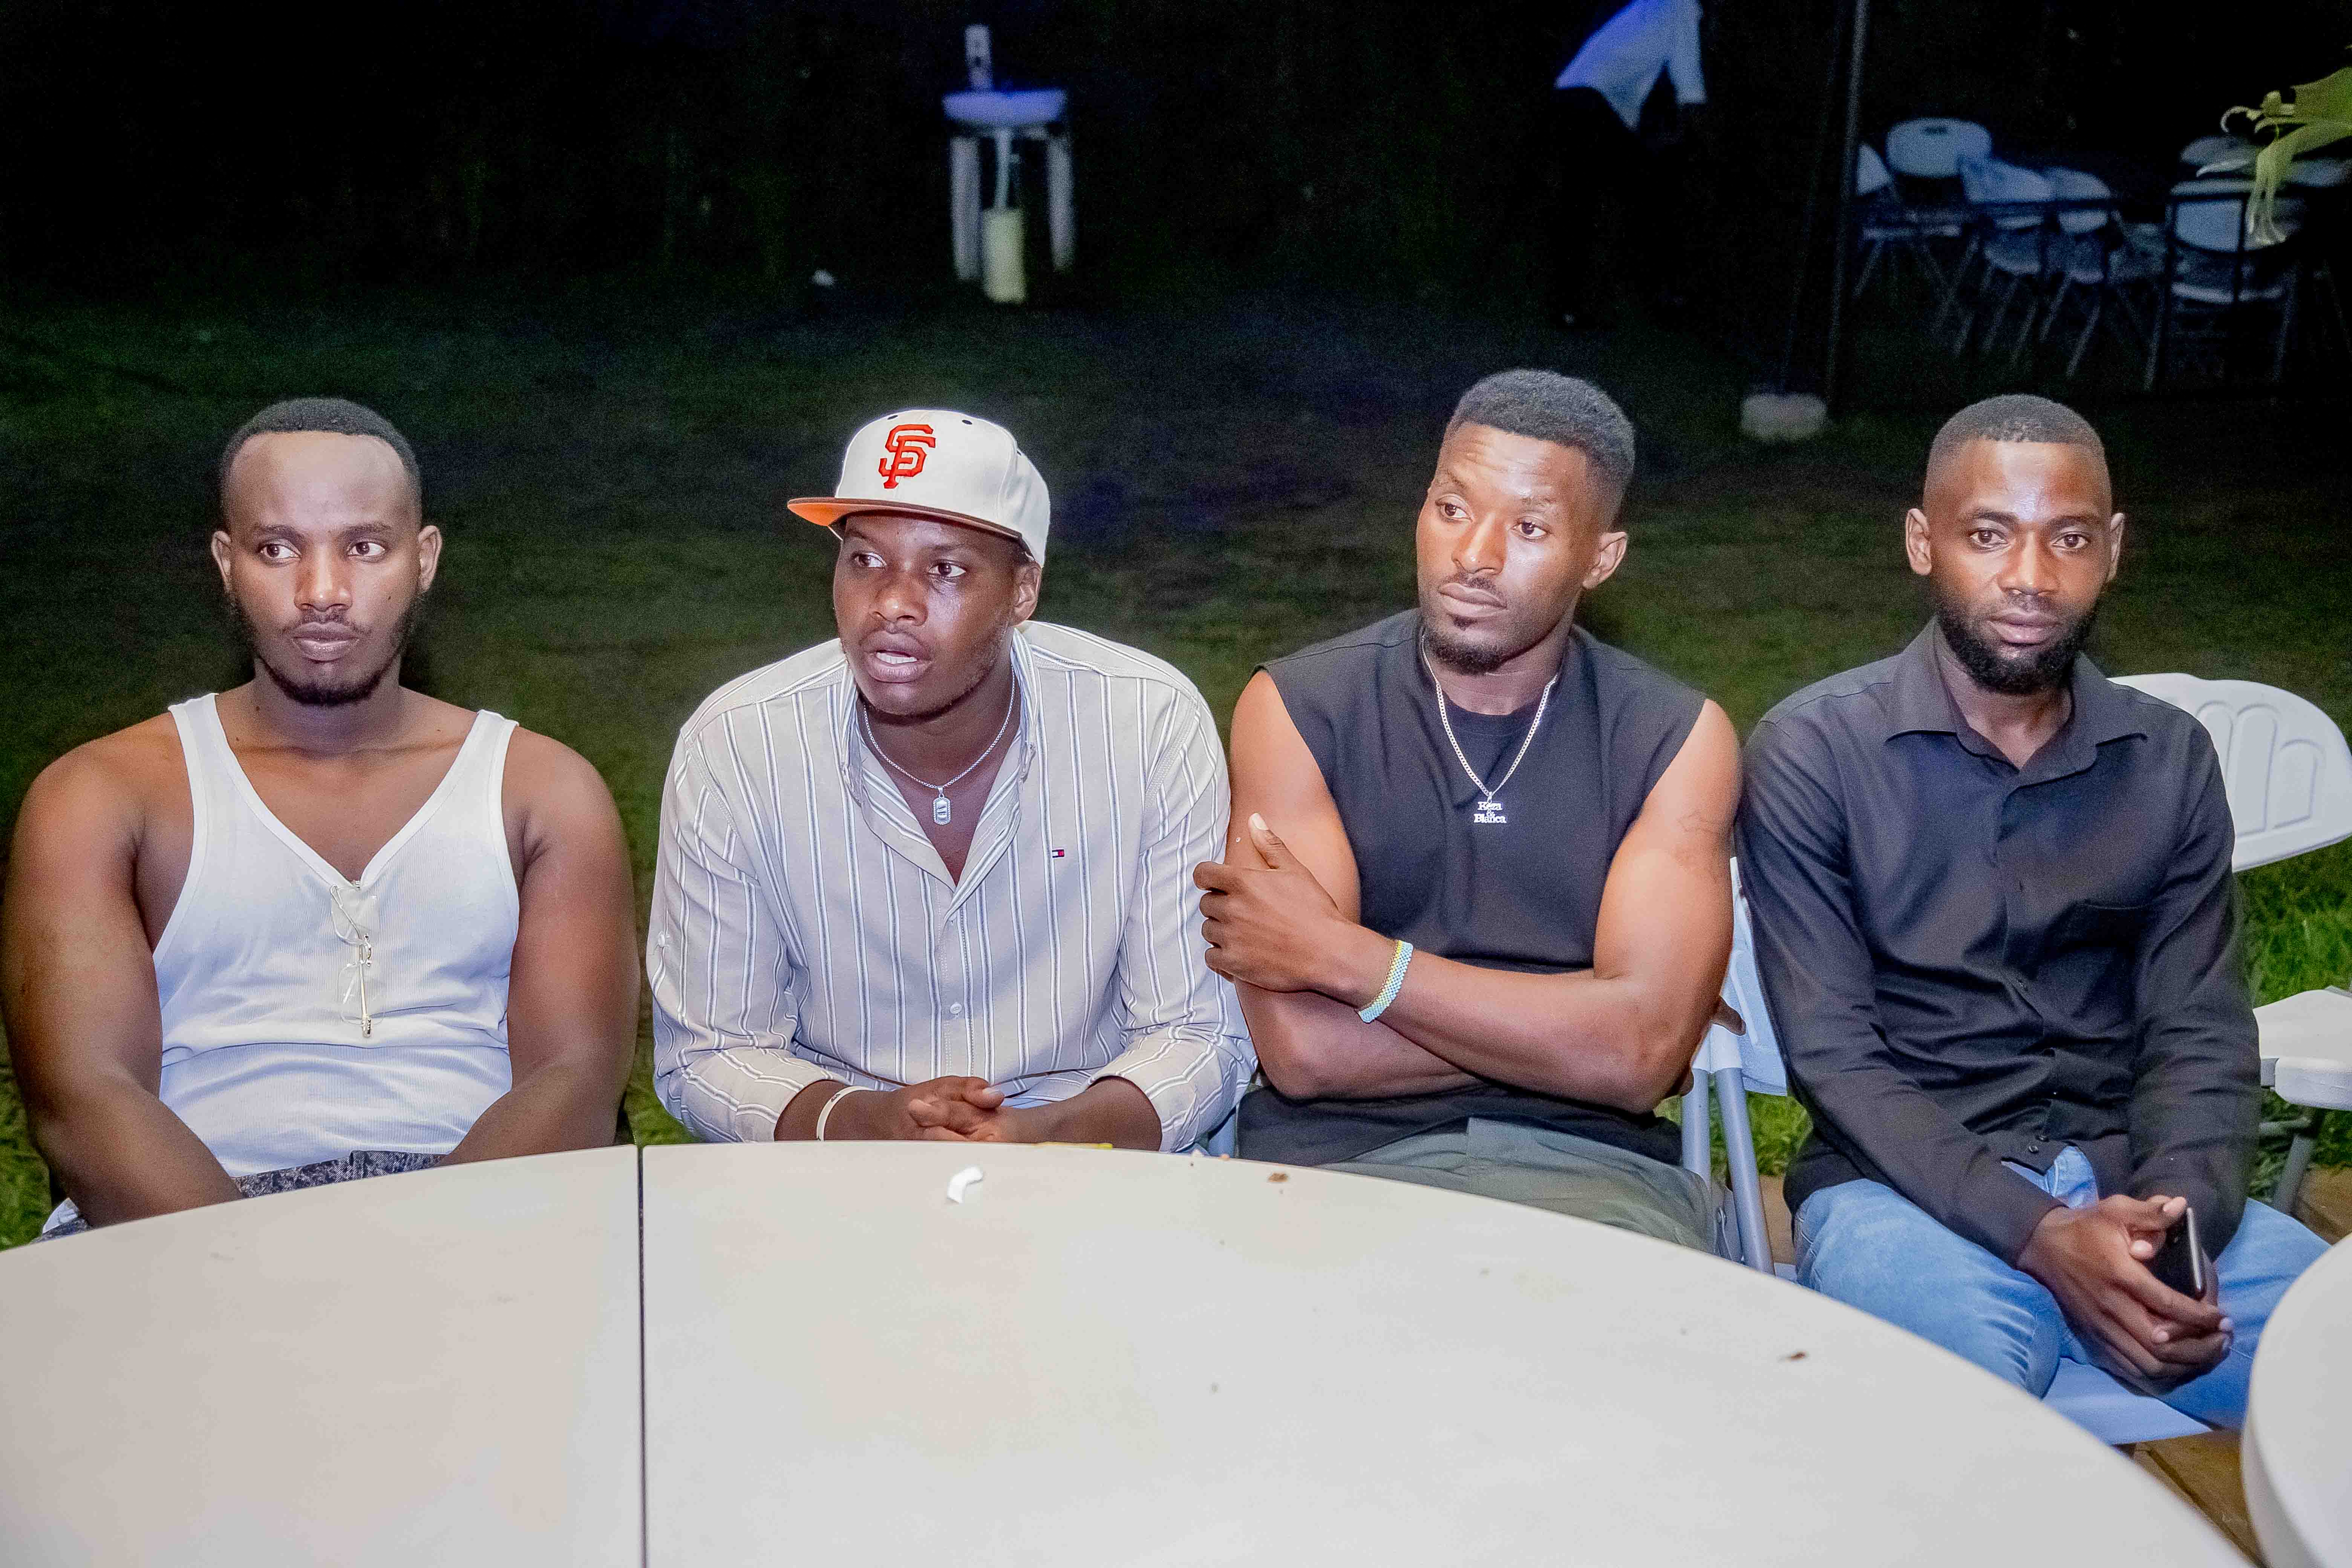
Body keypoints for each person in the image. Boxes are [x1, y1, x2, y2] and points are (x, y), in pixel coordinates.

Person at [1740, 393, 2328, 1424]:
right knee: (1966, 1426)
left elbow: (2199, 1033)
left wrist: (2176, 1227)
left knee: (2334, 1366)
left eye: (2068, 539)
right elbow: (1836, 1060)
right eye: (1987, 535)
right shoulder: (1816, 753)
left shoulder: (2167, 759)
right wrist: (2043, 1236)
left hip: (2128, 1180)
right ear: (1922, 542)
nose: (2029, 576)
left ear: (2114, 549)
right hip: (1903, 1193)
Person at [3, 398, 640, 1237]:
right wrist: (261, 1276)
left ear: (424, 559)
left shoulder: (542, 791)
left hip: (482, 1220)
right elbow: (86, 1100)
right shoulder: (101, 795)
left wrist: (423, 1263)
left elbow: (575, 1080)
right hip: (181, 1227)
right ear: (226, 563)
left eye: (364, 547)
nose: (323, 592)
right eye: (277, 549)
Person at [1194, 370, 1740, 1249]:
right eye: (1452, 509)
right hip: (1335, 1166)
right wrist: (1578, 1031)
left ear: (1600, 558)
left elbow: (1637, 1059)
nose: (1474, 555)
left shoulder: (1674, 738)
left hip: (1592, 1174)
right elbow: (1305, 1052)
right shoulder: (1298, 709)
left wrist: (1353, 961)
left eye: (1529, 528)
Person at [649, 409, 1249, 1150]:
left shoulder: (1147, 722)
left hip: (1095, 1154)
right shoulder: (739, 744)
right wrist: (869, 1123)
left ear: (1023, 591)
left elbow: (1197, 1034)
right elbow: (710, 1054)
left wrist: (1043, 1134)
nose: (891, 602)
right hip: (835, 1165)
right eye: (865, 559)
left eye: (946, 569)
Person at [1545, 0, 1708, 328]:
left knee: (1582, 201)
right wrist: (1704, 140)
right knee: (1641, 194)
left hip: (1574, 92)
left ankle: (1570, 304)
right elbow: (1688, 81)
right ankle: (1662, 297)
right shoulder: (1683, 6)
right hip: (1594, 99)